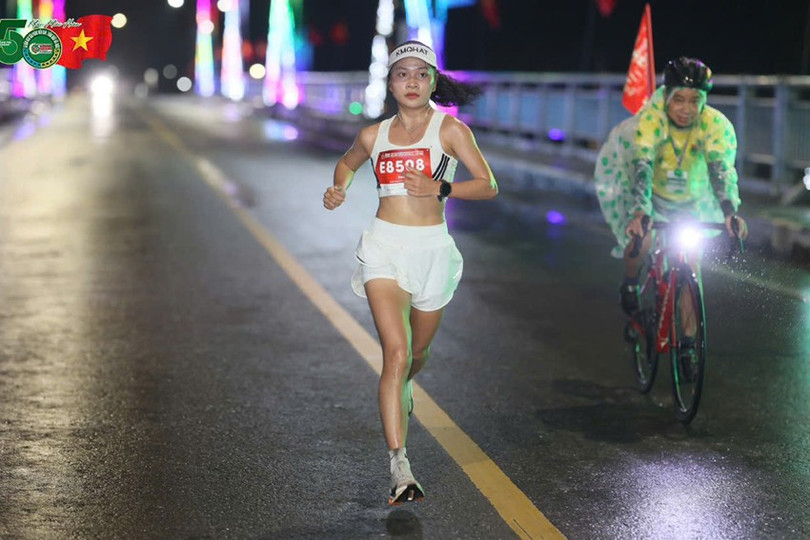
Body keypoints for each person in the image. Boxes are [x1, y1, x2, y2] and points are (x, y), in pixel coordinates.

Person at [322, 40, 498, 505]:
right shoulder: (372, 135)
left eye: (422, 74)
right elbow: (346, 164)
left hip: (432, 250)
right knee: (396, 354)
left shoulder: (451, 130)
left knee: (416, 354)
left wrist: (442, 186)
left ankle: (405, 386)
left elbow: (488, 185)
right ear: (391, 83)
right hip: (383, 247)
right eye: (403, 74)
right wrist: (339, 187)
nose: (413, 82)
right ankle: (400, 466)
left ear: (434, 81)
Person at [594, 57, 749, 351]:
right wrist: (640, 211)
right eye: (679, 100)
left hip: (692, 202)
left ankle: (689, 346)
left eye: (695, 101)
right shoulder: (650, 120)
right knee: (642, 237)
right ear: (666, 95)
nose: (686, 109)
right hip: (651, 198)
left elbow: (721, 172)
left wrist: (730, 213)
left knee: (691, 265)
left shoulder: (714, 125)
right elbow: (642, 170)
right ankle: (630, 281)